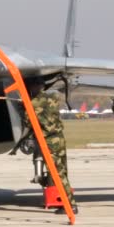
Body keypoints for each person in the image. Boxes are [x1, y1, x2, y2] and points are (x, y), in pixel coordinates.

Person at [24, 77, 78, 214]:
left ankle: (71, 205)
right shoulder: (53, 98)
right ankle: (64, 203)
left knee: (58, 175)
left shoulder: (32, 104)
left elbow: (28, 123)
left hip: (48, 141)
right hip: (59, 138)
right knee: (63, 172)